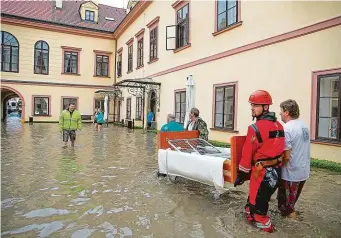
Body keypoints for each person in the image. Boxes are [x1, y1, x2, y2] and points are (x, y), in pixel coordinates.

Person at [234, 90, 285, 233]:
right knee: (256, 201)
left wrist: (242, 174)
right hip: (276, 172)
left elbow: (246, 154)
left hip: (262, 173)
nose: (252, 108)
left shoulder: (254, 128)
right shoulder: (279, 125)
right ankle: (250, 216)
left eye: (256, 105)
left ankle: (267, 230)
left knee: (259, 211)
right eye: (252, 105)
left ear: (266, 107)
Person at [277, 99, 310, 219]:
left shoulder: (287, 128)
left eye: (281, 110)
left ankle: (292, 230)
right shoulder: (304, 126)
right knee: (291, 203)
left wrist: (277, 165)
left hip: (291, 174)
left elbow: (286, 155)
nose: (279, 113)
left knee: (288, 208)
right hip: (303, 171)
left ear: (286, 112)